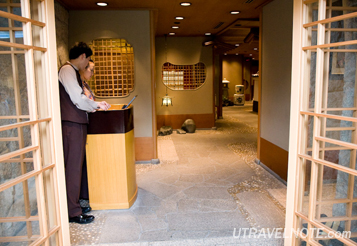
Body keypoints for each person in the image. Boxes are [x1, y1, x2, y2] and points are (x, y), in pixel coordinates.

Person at [58, 42, 110, 224]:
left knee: (77, 166)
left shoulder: (71, 70)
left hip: (76, 123)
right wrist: (96, 105)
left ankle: (76, 204)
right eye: (87, 59)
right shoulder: (67, 70)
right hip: (72, 124)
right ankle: (72, 212)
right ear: (82, 56)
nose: (87, 63)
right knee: (72, 167)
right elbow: (77, 98)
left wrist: (96, 104)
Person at [78, 59, 95, 212]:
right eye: (91, 69)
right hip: (81, 126)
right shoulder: (79, 86)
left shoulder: (86, 85)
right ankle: (83, 198)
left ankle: (89, 194)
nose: (92, 73)